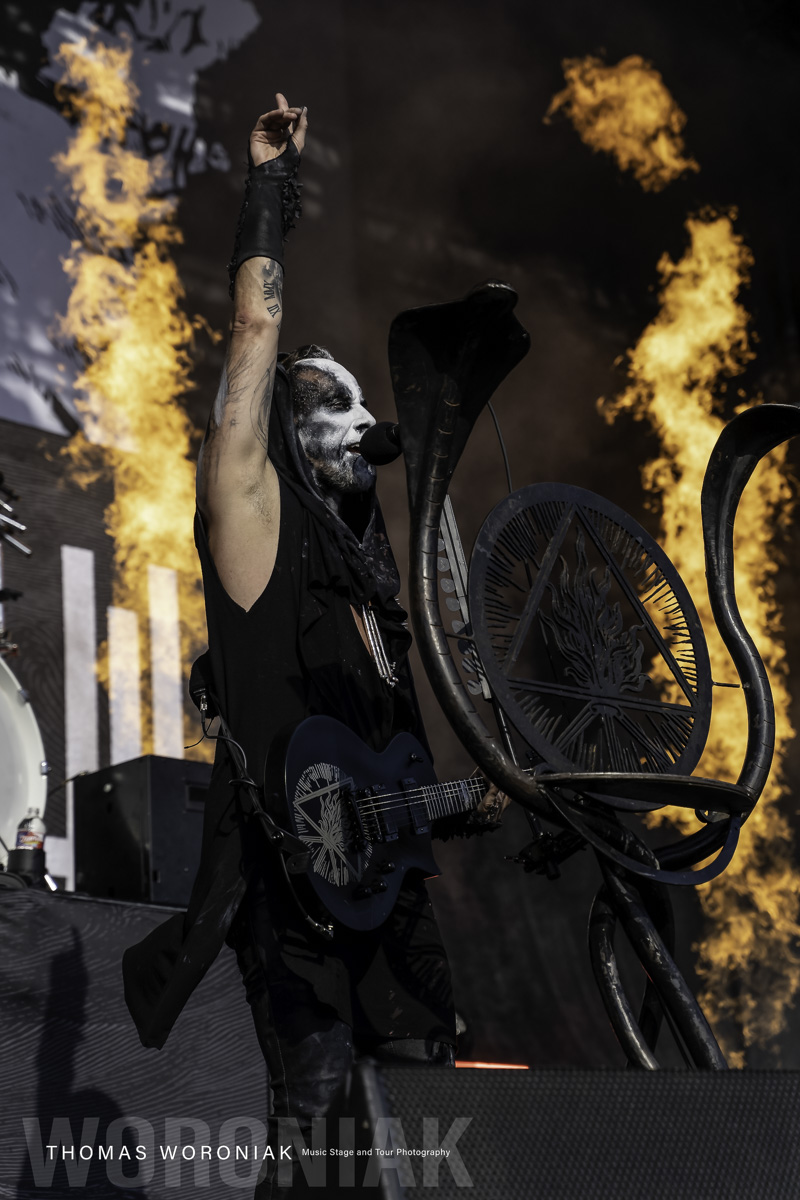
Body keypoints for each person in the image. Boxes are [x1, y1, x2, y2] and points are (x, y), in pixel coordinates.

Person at [123, 94, 506, 1197]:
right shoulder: (251, 520)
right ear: (285, 435)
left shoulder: (371, 597)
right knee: (323, 1150)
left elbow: (400, 776)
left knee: (426, 1142)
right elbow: (253, 342)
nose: (353, 423)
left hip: (393, 908)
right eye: (323, 404)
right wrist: (269, 189)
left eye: (356, 405)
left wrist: (468, 796)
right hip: (293, 905)